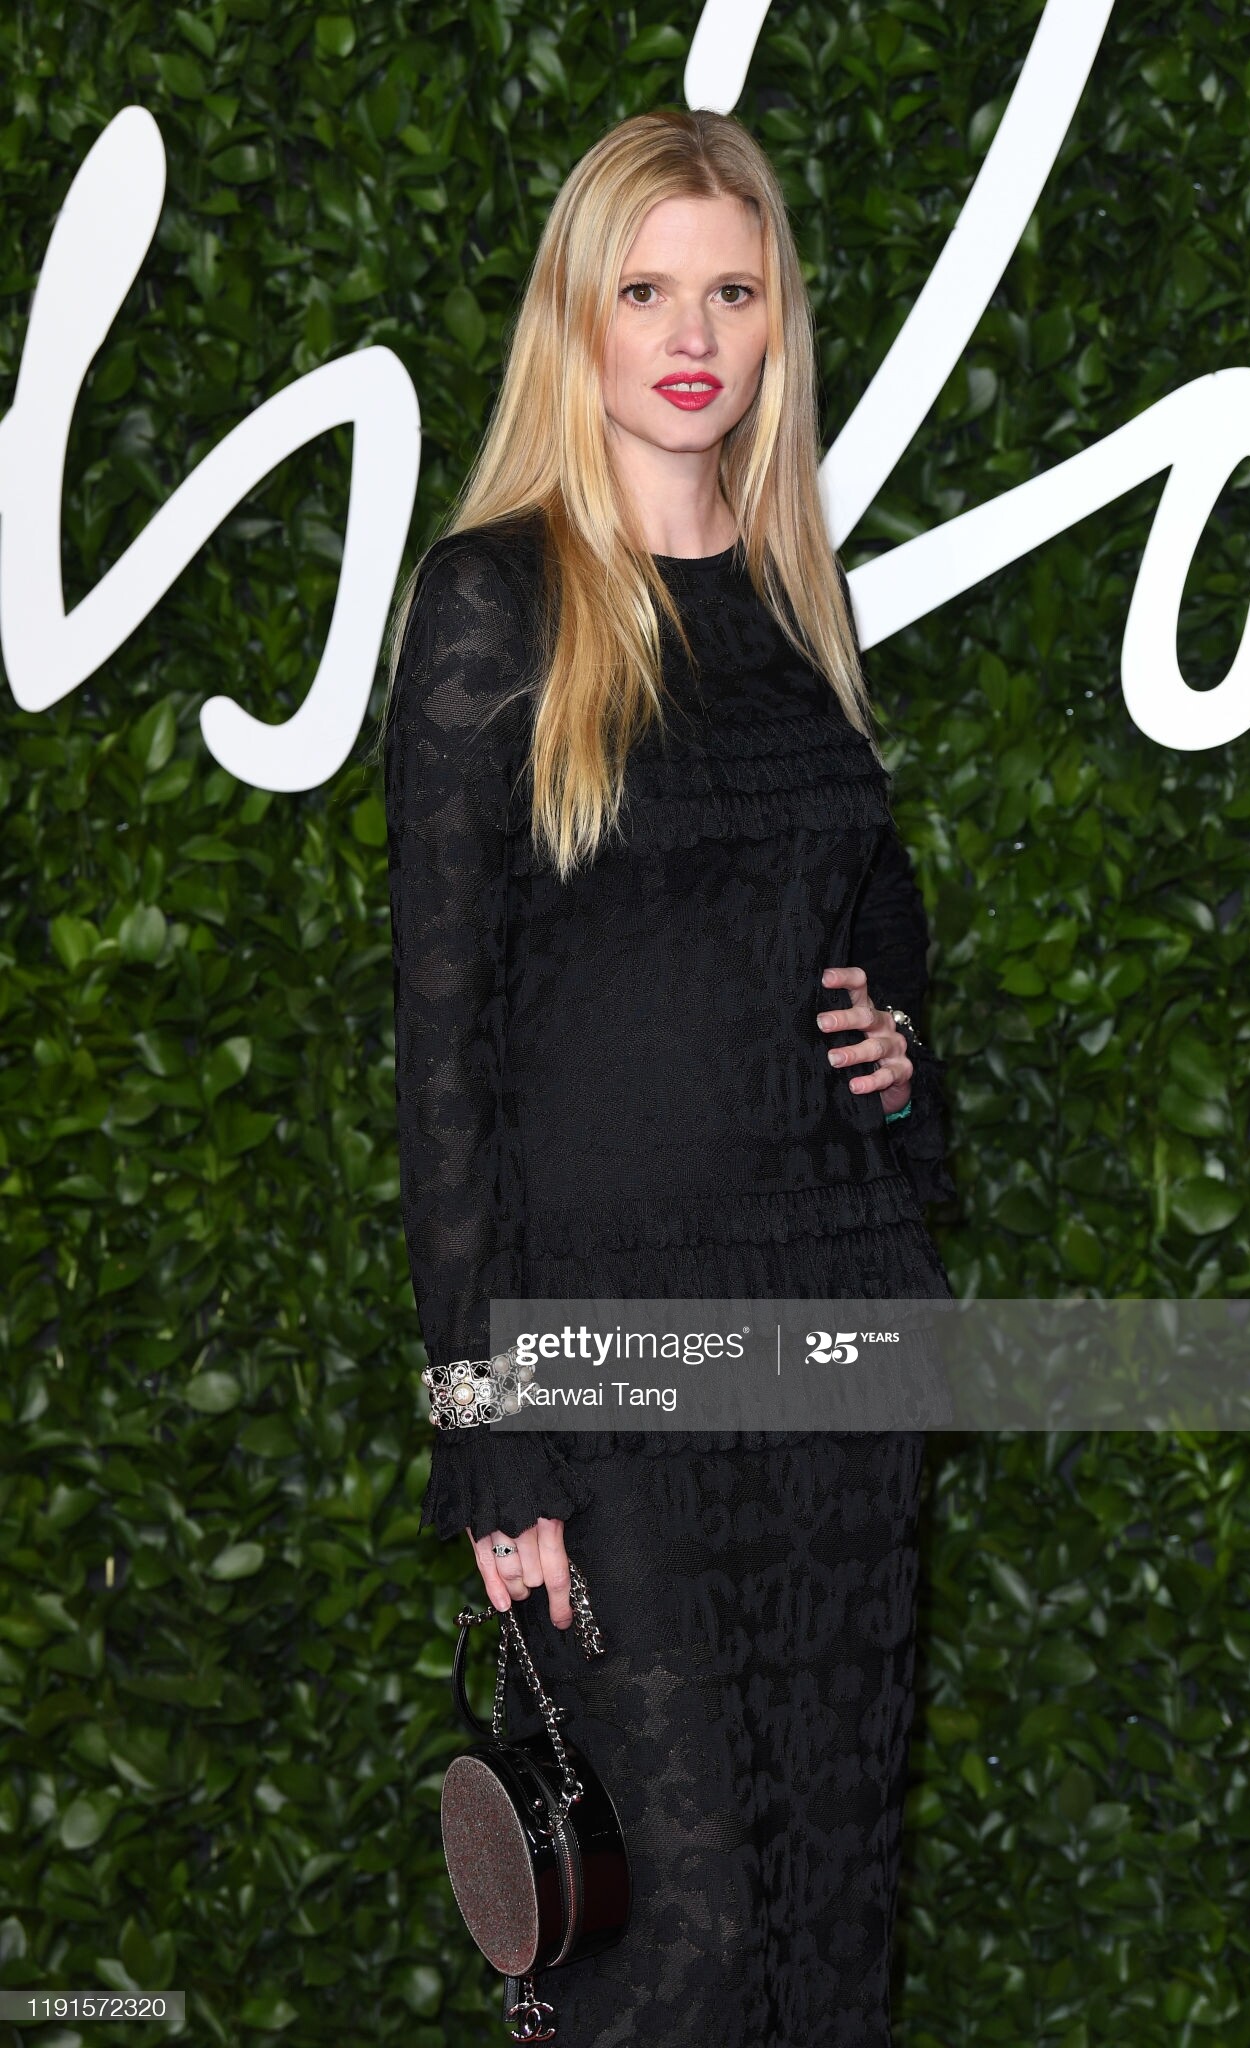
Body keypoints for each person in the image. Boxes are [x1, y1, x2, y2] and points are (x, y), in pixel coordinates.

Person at [381, 105, 957, 2048]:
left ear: (778, 318)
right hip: (609, 1364)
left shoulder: (796, 613)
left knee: (828, 1927)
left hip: (837, 1348)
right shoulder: (496, 599)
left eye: (732, 288)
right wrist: (489, 1437)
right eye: (645, 290)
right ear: (579, 318)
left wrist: (897, 1059)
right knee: (682, 1943)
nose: (691, 333)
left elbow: (862, 942)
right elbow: (446, 1060)